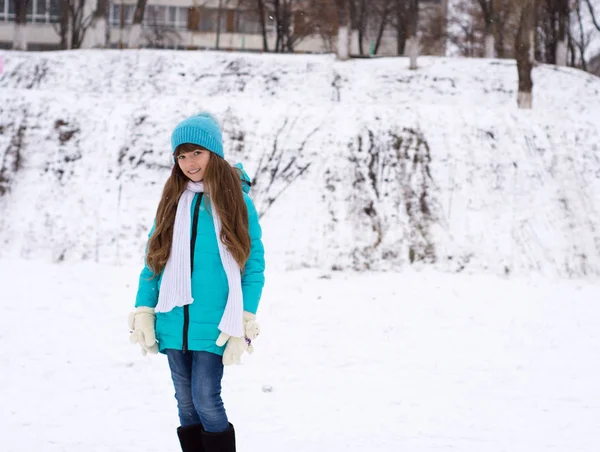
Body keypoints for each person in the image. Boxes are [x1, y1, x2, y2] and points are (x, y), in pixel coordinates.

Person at [127, 112, 266, 452]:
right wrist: (144, 309)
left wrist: (245, 317)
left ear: (213, 154)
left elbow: (254, 266)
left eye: (197, 153)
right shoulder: (173, 203)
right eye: (182, 155)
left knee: (206, 397)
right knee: (185, 404)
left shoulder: (236, 202)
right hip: (173, 318)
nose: (189, 162)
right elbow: (153, 261)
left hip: (217, 321)